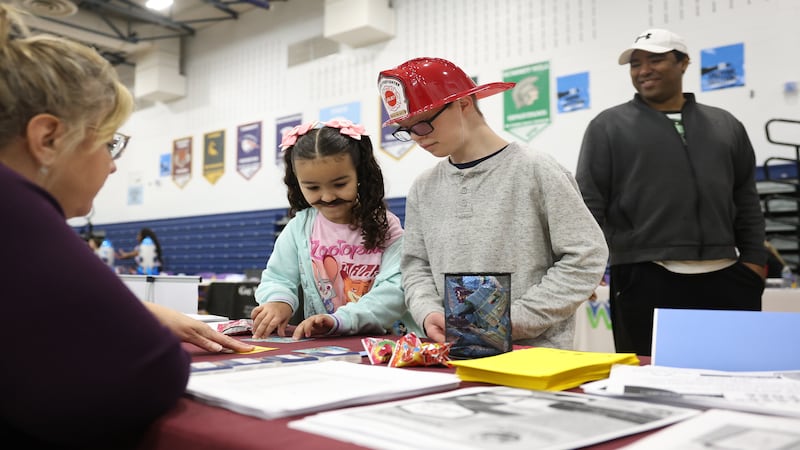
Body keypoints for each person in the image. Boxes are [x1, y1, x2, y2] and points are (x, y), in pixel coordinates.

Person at [0, 6, 252, 447]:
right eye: (108, 143)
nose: (113, 167)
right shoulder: (15, 205)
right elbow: (148, 374)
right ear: (48, 139)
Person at [377, 57, 609, 348]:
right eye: (406, 130)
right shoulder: (424, 188)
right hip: (452, 353)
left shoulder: (536, 170)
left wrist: (512, 320)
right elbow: (415, 266)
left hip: (533, 357)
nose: (417, 139)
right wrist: (428, 312)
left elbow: (585, 258)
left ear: (463, 103)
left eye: (423, 125)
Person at [575, 29, 767, 356]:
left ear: (684, 63)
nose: (643, 70)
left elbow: (746, 198)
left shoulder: (726, 125)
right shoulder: (608, 126)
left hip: (730, 279)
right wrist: (585, 270)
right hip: (644, 278)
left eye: (656, 59)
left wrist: (754, 263)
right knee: (651, 386)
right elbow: (589, 206)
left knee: (736, 376)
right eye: (635, 64)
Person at [250, 120, 421, 340]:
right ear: (297, 183)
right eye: (312, 187)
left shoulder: (386, 226)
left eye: (340, 184)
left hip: (384, 343)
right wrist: (278, 301)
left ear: (360, 175)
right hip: (325, 344)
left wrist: (342, 320)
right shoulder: (299, 228)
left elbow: (395, 289)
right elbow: (278, 278)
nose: (328, 197)